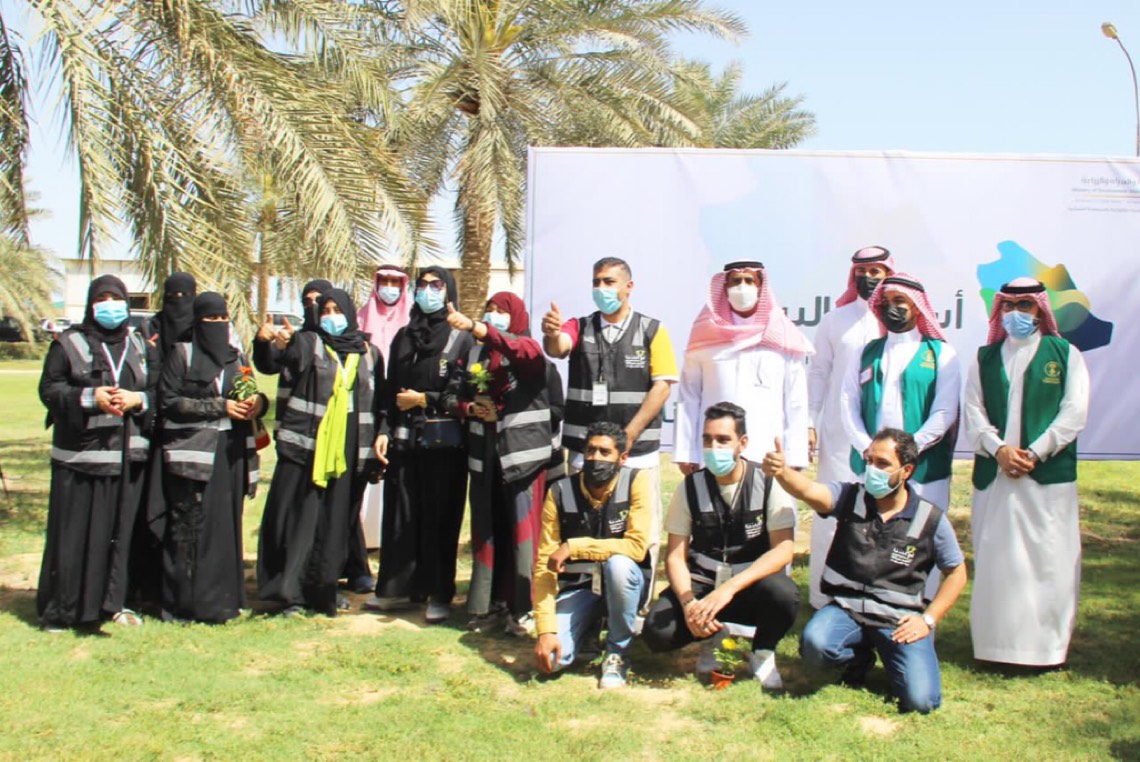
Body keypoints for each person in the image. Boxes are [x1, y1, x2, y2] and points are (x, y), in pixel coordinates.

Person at [763, 428, 967, 713]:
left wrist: (928, 620)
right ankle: (858, 660)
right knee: (815, 645)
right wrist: (783, 472)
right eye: (869, 461)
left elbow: (957, 573)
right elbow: (810, 491)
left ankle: (897, 659)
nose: (872, 470)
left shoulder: (929, 518)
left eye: (882, 464)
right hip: (847, 610)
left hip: (898, 620)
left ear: (906, 471)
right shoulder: (850, 497)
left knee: (922, 703)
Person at [964, 278, 1089, 668]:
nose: (1016, 313)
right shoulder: (984, 358)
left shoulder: (1065, 354)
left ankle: (1046, 651)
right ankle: (994, 648)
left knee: (1048, 560)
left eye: (1025, 305)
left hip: (1046, 480)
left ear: (1040, 310)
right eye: (1009, 305)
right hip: (996, 477)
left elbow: (1074, 413)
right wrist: (999, 449)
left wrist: (1035, 452)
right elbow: (973, 411)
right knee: (997, 561)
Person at [540, 256, 678, 606]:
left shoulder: (652, 330)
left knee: (640, 529)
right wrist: (551, 334)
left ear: (628, 287)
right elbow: (558, 347)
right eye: (596, 282)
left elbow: (663, 386)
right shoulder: (579, 326)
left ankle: (636, 605)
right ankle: (583, 600)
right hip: (585, 454)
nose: (601, 289)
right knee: (582, 525)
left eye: (609, 282)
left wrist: (628, 436)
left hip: (637, 452)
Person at [642, 402, 800, 689]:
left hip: (750, 586)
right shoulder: (690, 486)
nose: (713, 448)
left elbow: (783, 550)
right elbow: (675, 556)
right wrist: (689, 604)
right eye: (707, 439)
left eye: (723, 440)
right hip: (703, 583)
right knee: (656, 633)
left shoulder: (767, 482)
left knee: (784, 594)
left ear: (743, 443)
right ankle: (711, 636)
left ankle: (762, 652)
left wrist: (728, 589)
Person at [256, 289, 386, 616]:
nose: (330, 316)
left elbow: (381, 400)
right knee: (304, 519)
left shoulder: (369, 353)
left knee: (335, 522)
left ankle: (324, 589)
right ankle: (292, 593)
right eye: (325, 310)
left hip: (352, 445)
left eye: (336, 310)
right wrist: (276, 343)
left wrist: (382, 436)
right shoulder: (312, 343)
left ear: (350, 313)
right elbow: (282, 358)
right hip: (313, 443)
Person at [37, 275, 154, 631]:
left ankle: (111, 605)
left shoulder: (138, 344)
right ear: (90, 304)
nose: (109, 305)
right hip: (80, 459)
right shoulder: (69, 343)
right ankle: (63, 610)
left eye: (115, 298)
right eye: (101, 298)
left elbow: (157, 390)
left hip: (125, 460)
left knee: (116, 536)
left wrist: (138, 399)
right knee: (73, 537)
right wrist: (90, 398)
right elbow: (50, 389)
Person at [444, 293, 561, 636]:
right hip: (485, 457)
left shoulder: (529, 351)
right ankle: (488, 606)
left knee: (523, 535)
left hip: (522, 459)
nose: (494, 316)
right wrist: (469, 408)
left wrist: (476, 326)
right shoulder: (474, 354)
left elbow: (520, 353)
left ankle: (525, 608)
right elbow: (451, 394)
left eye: (501, 312)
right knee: (487, 530)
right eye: (489, 310)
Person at [371, 267, 475, 624]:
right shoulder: (405, 336)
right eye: (423, 285)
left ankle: (438, 593)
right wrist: (384, 428)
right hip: (405, 440)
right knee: (401, 514)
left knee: (439, 517)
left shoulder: (461, 338)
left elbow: (464, 391)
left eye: (436, 285)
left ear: (449, 291)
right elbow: (390, 388)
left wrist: (424, 399)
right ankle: (398, 588)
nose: (428, 290)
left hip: (444, 444)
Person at [159, 293, 266, 623]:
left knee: (227, 522)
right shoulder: (182, 354)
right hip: (195, 451)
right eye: (211, 319)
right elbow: (168, 401)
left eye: (223, 318)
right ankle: (187, 604)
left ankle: (225, 600)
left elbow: (252, 390)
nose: (218, 324)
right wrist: (219, 407)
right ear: (197, 321)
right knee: (193, 524)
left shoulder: (236, 357)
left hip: (231, 450)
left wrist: (257, 404)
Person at [806, 246, 895, 609]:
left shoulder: (899, 320)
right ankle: (825, 597)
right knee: (834, 510)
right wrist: (810, 421)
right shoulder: (835, 320)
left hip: (887, 435)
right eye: (863, 270)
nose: (869, 277)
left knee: (885, 513)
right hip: (840, 435)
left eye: (877, 271)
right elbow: (819, 373)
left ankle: (880, 595)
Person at [532, 422, 651, 689]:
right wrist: (546, 630)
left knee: (619, 565)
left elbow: (636, 547)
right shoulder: (559, 491)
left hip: (625, 586)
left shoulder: (636, 481)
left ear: (622, 458)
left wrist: (574, 547)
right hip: (579, 589)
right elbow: (544, 565)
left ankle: (617, 652)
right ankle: (587, 629)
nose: (596, 458)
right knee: (551, 660)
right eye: (590, 450)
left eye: (605, 452)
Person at [674, 261, 813, 479]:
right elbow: (689, 397)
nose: (742, 287)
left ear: (761, 287)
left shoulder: (782, 337)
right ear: (724, 287)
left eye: (749, 281)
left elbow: (796, 401)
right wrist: (686, 452)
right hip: (716, 450)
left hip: (768, 449)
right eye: (736, 281)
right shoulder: (706, 335)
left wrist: (795, 456)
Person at [840, 273, 960, 511]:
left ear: (916, 307)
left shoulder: (941, 354)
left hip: (923, 468)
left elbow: (944, 411)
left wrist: (908, 451)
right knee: (867, 526)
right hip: (871, 466)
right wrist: (867, 448)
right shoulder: (865, 353)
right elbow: (848, 402)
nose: (891, 307)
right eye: (885, 301)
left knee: (921, 528)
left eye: (899, 300)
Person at [354, 265, 412, 583]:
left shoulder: (411, 319)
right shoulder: (361, 317)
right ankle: (359, 542)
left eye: (395, 282)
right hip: (367, 405)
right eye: (384, 281)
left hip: (400, 406)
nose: (389, 287)